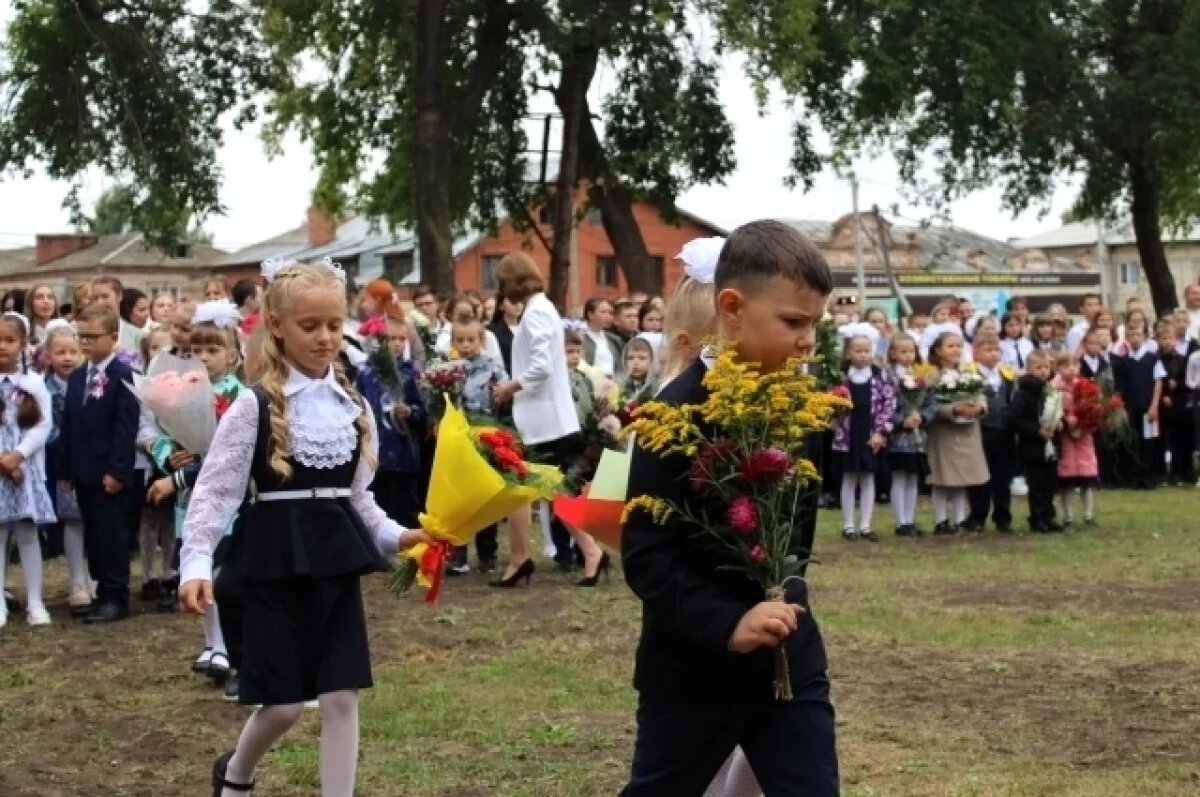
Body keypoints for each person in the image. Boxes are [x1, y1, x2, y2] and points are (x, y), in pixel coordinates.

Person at [178, 258, 430, 797]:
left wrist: (399, 536)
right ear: (277, 327)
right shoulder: (255, 405)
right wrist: (195, 563)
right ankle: (237, 773)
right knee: (286, 705)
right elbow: (216, 490)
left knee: (342, 696)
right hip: (273, 561)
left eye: (334, 325)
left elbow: (360, 499)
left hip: (335, 565)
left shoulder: (354, 407)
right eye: (309, 326)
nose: (324, 338)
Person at [621, 220, 838, 796]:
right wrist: (728, 625)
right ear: (732, 307)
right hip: (693, 672)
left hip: (790, 664)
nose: (807, 341)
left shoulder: (801, 410)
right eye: (793, 321)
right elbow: (647, 556)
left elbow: (799, 534)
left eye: (815, 323)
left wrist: (781, 603)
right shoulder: (674, 415)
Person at [491, 253, 606, 586]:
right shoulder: (541, 308)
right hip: (546, 419)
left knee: (528, 490)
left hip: (545, 422)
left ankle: (525, 558)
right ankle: (581, 552)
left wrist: (511, 386)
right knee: (546, 491)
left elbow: (541, 366)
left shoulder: (537, 312)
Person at [57, 302, 140, 623]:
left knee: (112, 535)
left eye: (93, 336)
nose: (86, 342)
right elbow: (69, 424)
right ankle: (102, 591)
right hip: (83, 470)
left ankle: (117, 596)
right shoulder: (78, 376)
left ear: (113, 337)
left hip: (109, 472)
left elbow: (125, 428)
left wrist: (117, 470)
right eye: (83, 336)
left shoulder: (122, 375)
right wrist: (65, 468)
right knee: (93, 534)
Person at [0, 313, 55, 628]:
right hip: (0, 471)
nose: (3, 346)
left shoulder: (32, 383)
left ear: (22, 344)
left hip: (26, 473)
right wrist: (2, 461)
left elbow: (44, 424)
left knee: (27, 534)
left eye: (9, 340)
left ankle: (35, 600)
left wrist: (18, 456)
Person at [445, 318, 507, 575]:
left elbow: (506, 394)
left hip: (486, 438)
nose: (466, 345)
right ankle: (458, 554)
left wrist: (499, 395)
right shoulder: (446, 370)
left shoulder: (493, 369)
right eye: (460, 340)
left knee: (485, 496)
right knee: (460, 499)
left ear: (482, 341)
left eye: (471, 340)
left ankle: (487, 553)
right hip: (458, 438)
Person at [354, 317, 425, 532]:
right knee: (378, 506)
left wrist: (410, 412)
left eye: (401, 339)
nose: (396, 344)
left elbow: (424, 413)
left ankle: (409, 551)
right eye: (390, 338)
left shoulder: (411, 374)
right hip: (378, 455)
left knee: (406, 508)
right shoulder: (366, 374)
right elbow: (358, 407)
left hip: (405, 454)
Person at [42, 323, 92, 616]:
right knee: (73, 520)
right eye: (60, 352)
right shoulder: (44, 388)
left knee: (94, 519)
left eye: (73, 351)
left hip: (91, 460)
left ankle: (96, 576)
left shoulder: (90, 383)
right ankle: (76, 581)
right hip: (61, 462)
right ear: (48, 356)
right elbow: (44, 427)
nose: (67, 358)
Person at [832, 328, 894, 542]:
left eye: (867, 350)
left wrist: (881, 432)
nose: (863, 355)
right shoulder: (840, 376)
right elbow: (830, 404)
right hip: (847, 434)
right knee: (848, 478)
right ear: (849, 352)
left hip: (870, 434)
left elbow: (889, 404)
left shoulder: (880, 376)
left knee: (868, 478)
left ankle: (866, 525)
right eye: (858, 351)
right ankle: (848, 525)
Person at [925, 329, 988, 534]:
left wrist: (979, 408)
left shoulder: (969, 371)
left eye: (959, 346)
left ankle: (961, 518)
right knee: (943, 477)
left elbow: (980, 393)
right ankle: (941, 519)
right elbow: (929, 402)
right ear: (938, 350)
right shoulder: (931, 375)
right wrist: (951, 410)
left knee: (963, 478)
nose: (956, 350)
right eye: (950, 346)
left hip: (968, 429)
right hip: (945, 432)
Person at [965, 331, 1016, 533]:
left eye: (996, 350)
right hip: (980, 432)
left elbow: (1012, 400)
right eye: (988, 350)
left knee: (1002, 478)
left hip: (1003, 432)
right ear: (976, 353)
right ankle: (978, 515)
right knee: (979, 476)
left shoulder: (1007, 375)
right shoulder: (969, 374)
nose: (993, 354)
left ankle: (1003, 516)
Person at [1009, 350, 1064, 532]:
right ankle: (1037, 517)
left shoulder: (1050, 391)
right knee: (1037, 483)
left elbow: (1057, 411)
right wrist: (1036, 430)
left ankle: (1049, 515)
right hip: (1032, 445)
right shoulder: (1023, 393)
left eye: (1046, 367)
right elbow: (1016, 419)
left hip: (1050, 444)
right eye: (1038, 367)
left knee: (1050, 482)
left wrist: (1058, 423)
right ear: (1029, 369)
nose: (1043, 371)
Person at [885, 333, 932, 538]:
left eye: (911, 351)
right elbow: (883, 404)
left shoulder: (921, 375)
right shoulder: (888, 376)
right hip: (898, 436)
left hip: (917, 436)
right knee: (899, 476)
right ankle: (900, 521)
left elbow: (932, 402)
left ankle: (910, 519)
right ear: (893, 353)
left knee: (913, 477)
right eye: (902, 351)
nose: (907, 355)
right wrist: (900, 421)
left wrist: (921, 416)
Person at [1112, 323, 1164, 489]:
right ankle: (1134, 477)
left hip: (1147, 406)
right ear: (1127, 338)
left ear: (1144, 337)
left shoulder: (1152, 358)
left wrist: (1154, 405)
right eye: (1131, 336)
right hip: (1130, 407)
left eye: (1138, 335)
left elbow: (1158, 382)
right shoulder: (1124, 361)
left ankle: (1147, 476)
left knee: (1148, 443)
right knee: (1132, 442)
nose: (1135, 338)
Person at [1051, 353, 1100, 526]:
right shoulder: (1054, 388)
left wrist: (1089, 421)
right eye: (1066, 366)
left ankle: (1088, 514)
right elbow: (1053, 412)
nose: (1071, 369)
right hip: (1066, 438)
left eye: (1075, 365)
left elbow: (1093, 407)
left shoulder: (1085, 386)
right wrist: (1067, 423)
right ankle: (1068, 515)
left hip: (1084, 437)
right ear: (1058, 368)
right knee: (1067, 481)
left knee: (1087, 479)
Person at [1154, 319, 1192, 485]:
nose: (1167, 341)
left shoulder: (1183, 360)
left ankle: (1178, 473)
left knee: (1178, 441)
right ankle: (1160, 473)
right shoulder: (1154, 359)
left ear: (1175, 340)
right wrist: (1163, 394)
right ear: (1158, 340)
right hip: (1161, 405)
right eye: (1163, 338)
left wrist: (1177, 385)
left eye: (1170, 338)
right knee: (1160, 441)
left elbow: (1188, 381)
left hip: (1178, 405)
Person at [90, 276, 144, 355]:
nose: (99, 302)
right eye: (95, 298)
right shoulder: (80, 332)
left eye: (105, 297)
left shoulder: (138, 335)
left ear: (119, 296)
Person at [582, 297, 622, 378]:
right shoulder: (581, 338)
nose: (608, 316)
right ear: (590, 315)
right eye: (603, 312)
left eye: (610, 313)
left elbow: (620, 366)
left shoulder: (614, 339)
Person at [618, 337, 659, 408]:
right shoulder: (619, 385)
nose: (635, 363)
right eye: (630, 358)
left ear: (651, 360)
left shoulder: (657, 386)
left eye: (642, 358)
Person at [488, 295, 523, 377]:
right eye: (512, 301)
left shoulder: (528, 328)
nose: (517, 304)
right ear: (501, 306)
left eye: (520, 300)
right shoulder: (491, 331)